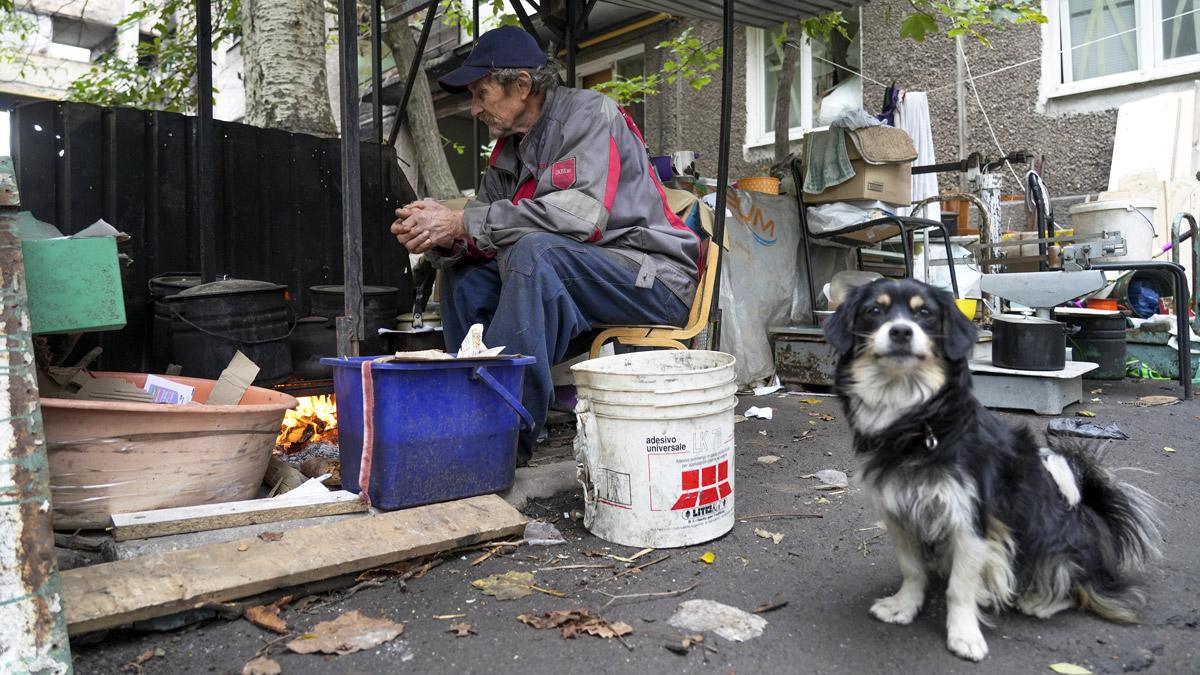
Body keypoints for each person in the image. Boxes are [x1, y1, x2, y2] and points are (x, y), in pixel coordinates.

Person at [390, 26, 702, 464]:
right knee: (464, 273)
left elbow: (581, 217)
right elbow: (484, 230)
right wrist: (443, 235)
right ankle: (471, 409)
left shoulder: (590, 114)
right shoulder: (508, 152)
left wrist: (462, 221)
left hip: (653, 278)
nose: (475, 108)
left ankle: (503, 439)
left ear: (521, 85)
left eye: (482, 94)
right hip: (582, 282)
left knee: (534, 252)